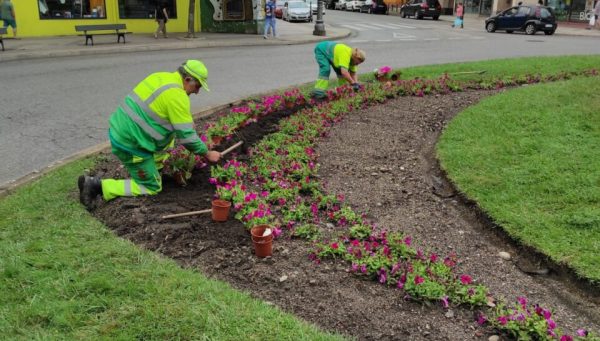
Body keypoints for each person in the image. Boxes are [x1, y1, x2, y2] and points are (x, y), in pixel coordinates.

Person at [78, 60, 221, 210]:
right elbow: (187, 138)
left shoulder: (161, 77)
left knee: (166, 138)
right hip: (131, 143)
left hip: (122, 129)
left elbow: (162, 109)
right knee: (151, 187)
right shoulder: (177, 96)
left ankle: (154, 169)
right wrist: (207, 153)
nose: (197, 91)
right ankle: (97, 186)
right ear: (187, 80)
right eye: (197, 86)